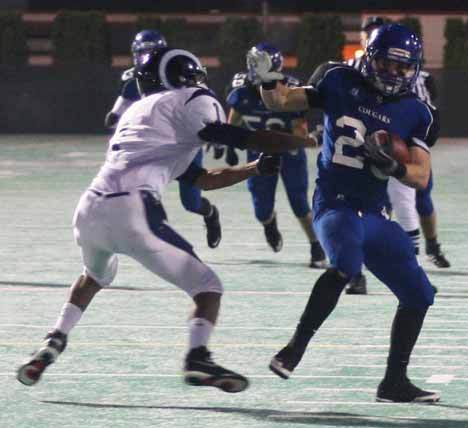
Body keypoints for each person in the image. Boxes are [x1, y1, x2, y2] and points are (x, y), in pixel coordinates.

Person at [16, 47, 284, 393]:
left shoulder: (139, 116)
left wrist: (254, 167)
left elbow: (203, 177)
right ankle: (198, 357)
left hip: (88, 209)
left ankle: (54, 339)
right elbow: (210, 155)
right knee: (208, 287)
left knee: (93, 277)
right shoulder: (184, 106)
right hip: (131, 210)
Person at [229, 24, 440, 403]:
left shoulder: (417, 111)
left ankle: (393, 382)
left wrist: (392, 167)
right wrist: (267, 79)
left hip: (375, 213)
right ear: (370, 59)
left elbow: (421, 176)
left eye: (402, 68)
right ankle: (294, 348)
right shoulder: (339, 79)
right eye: (387, 65)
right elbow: (280, 101)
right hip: (335, 202)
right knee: (345, 262)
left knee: (420, 294)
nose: (394, 74)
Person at [346, 17, 450, 296]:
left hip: (402, 145)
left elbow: (425, 111)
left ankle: (425, 252)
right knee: (364, 209)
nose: (394, 70)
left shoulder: (421, 85)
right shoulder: (353, 71)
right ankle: (359, 271)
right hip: (365, 146)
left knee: (416, 200)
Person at [105, 29, 222, 249]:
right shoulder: (134, 77)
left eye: (150, 53)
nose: (145, 58)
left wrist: (215, 134)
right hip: (152, 145)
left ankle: (210, 213)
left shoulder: (177, 71)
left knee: (191, 202)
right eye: (141, 53)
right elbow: (122, 104)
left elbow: (204, 103)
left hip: (183, 144)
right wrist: (115, 116)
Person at [225, 42, 327, 267]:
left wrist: (304, 139)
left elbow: (300, 132)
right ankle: (269, 224)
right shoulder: (242, 93)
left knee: (300, 204)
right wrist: (230, 145)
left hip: (288, 154)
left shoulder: (287, 91)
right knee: (261, 211)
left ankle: (315, 245)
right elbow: (233, 122)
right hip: (258, 154)